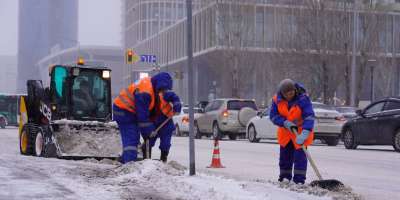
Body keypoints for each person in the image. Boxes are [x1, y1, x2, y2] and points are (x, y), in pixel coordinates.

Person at [113, 72, 173, 163]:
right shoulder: (146, 92)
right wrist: (149, 131)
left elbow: (146, 113)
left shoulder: (151, 85)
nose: (162, 92)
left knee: (134, 138)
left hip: (129, 112)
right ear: (159, 85)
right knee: (131, 141)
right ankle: (129, 165)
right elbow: (142, 117)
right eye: (162, 90)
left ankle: (123, 161)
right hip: (124, 111)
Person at [269, 79, 315, 184]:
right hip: (286, 133)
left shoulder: (303, 99)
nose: (290, 96)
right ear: (282, 93)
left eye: (292, 93)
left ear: (294, 90)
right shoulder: (277, 100)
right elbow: (273, 116)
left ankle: (299, 180)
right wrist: (284, 122)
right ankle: (284, 178)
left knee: (300, 158)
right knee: (285, 158)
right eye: (287, 94)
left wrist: (305, 132)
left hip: (300, 133)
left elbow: (309, 116)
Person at [144, 91, 181, 162]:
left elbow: (174, 98)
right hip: (152, 123)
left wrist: (177, 107)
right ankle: (146, 160)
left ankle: (163, 160)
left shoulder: (163, 94)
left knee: (165, 143)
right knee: (148, 141)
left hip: (166, 121)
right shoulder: (145, 100)